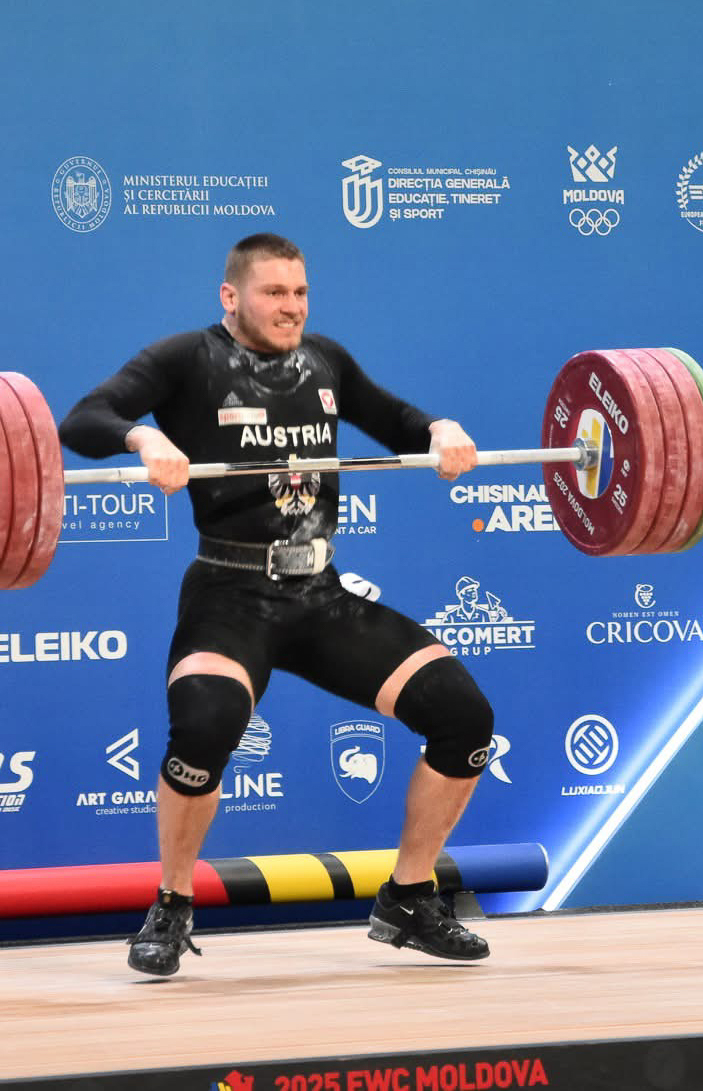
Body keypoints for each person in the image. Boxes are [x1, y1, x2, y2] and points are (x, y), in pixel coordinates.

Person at [58, 233, 495, 976]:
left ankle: (409, 896)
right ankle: (170, 902)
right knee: (204, 725)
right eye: (272, 294)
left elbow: (393, 419)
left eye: (298, 293)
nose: (289, 308)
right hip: (231, 594)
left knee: (463, 716)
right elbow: (81, 418)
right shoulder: (184, 359)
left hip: (319, 595)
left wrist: (437, 429)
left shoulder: (323, 359)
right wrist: (140, 438)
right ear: (230, 296)